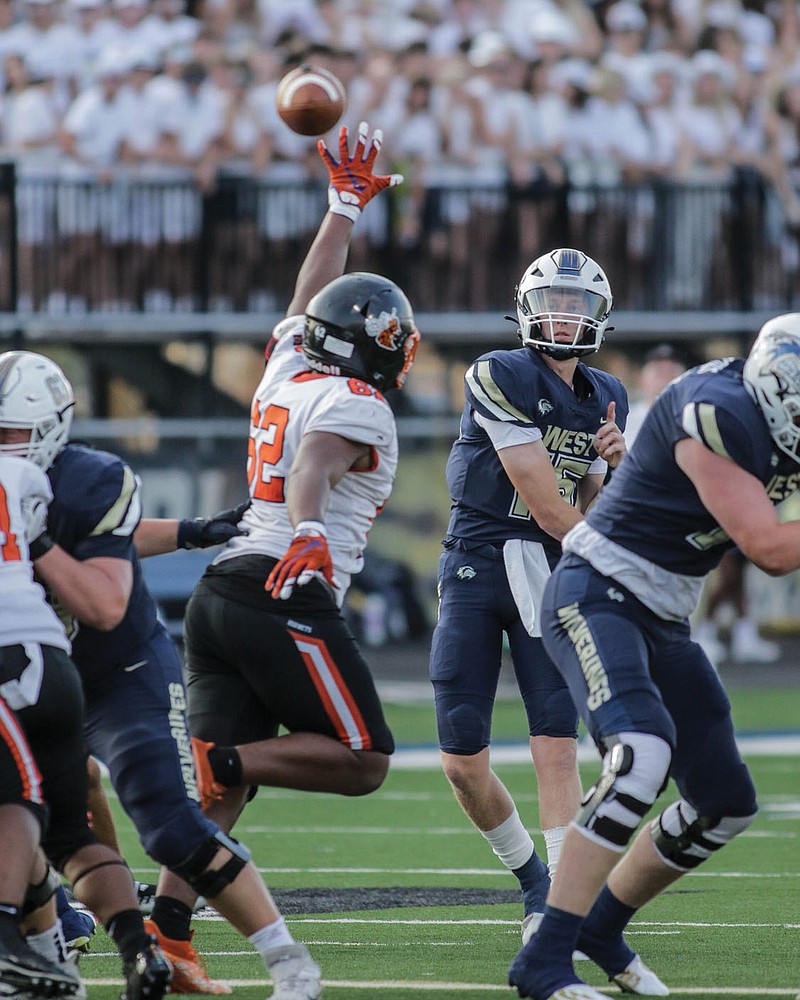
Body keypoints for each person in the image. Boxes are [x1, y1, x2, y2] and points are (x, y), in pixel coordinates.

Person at [137, 121, 417, 925]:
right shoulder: (356, 402)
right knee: (364, 761)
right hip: (280, 582)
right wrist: (309, 530)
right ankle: (213, 754)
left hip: (218, 591)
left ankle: (168, 924)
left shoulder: (292, 368)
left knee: (231, 787)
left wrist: (342, 207)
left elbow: (307, 300)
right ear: (373, 348)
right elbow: (315, 465)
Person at [0, 352, 323, 999]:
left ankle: (291, 965)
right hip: (26, 674)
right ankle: (55, 953)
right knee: (32, 813)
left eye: (11, 432)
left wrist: (32, 538)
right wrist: (192, 530)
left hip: (114, 670)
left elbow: (104, 596)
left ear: (51, 429)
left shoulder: (89, 478)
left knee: (168, 823)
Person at [508, 313, 800, 999]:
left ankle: (600, 928)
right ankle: (544, 959)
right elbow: (770, 548)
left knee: (724, 802)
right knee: (640, 755)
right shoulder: (716, 411)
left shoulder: (763, 401)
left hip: (663, 612)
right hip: (595, 590)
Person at [428, 248, 628, 944]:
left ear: (597, 315)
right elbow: (544, 503)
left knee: (557, 745)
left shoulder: (607, 392)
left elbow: (586, 504)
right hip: (480, 566)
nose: (564, 315)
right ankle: (532, 880)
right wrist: (622, 564)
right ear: (526, 307)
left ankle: (561, 910)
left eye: (577, 305)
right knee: (461, 762)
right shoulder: (498, 372)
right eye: (554, 301)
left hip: (553, 570)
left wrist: (616, 466)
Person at [0, 453, 170, 1000]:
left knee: (20, 803)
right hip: (51, 654)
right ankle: (132, 949)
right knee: (68, 824)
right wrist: (191, 532)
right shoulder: (39, 478)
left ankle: (11, 936)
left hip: (9, 657)